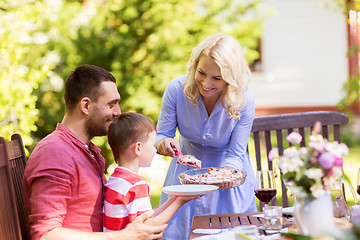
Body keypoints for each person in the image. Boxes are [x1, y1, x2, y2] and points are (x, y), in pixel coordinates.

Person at [23, 65, 167, 240]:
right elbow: (46, 235)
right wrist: (122, 236)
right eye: (111, 104)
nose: (118, 112)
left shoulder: (84, 151)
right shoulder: (55, 153)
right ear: (86, 105)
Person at [156, 33, 257, 239]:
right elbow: (162, 135)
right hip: (185, 178)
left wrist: (220, 177)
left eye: (217, 78)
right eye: (201, 73)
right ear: (195, 65)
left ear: (231, 78)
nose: (206, 83)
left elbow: (236, 152)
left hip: (229, 178)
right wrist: (165, 143)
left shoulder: (244, 100)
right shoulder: (176, 89)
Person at [103, 112, 200, 231]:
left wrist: (177, 197)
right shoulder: (137, 185)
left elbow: (146, 215)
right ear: (138, 148)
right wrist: (179, 202)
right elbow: (147, 225)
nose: (155, 150)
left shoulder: (115, 179)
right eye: (153, 144)